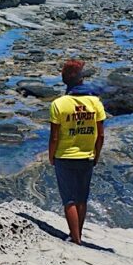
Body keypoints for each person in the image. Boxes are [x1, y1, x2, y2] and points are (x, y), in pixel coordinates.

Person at [48, 59, 106, 245]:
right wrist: (96, 153)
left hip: (64, 156)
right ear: (82, 79)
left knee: (69, 200)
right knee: (82, 198)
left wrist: (51, 155)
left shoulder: (59, 104)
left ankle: (75, 238)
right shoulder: (95, 102)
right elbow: (101, 134)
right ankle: (78, 234)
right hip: (87, 155)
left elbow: (55, 137)